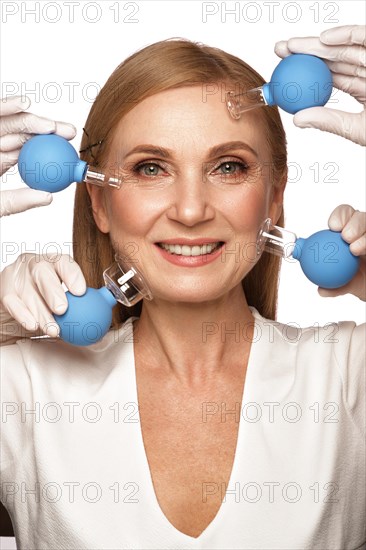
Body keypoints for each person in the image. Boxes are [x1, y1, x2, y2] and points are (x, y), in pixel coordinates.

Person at [0, 25, 365, 550]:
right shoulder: (26, 390)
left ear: (275, 197)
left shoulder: (349, 377)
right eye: (150, 168)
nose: (191, 210)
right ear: (99, 203)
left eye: (228, 167)